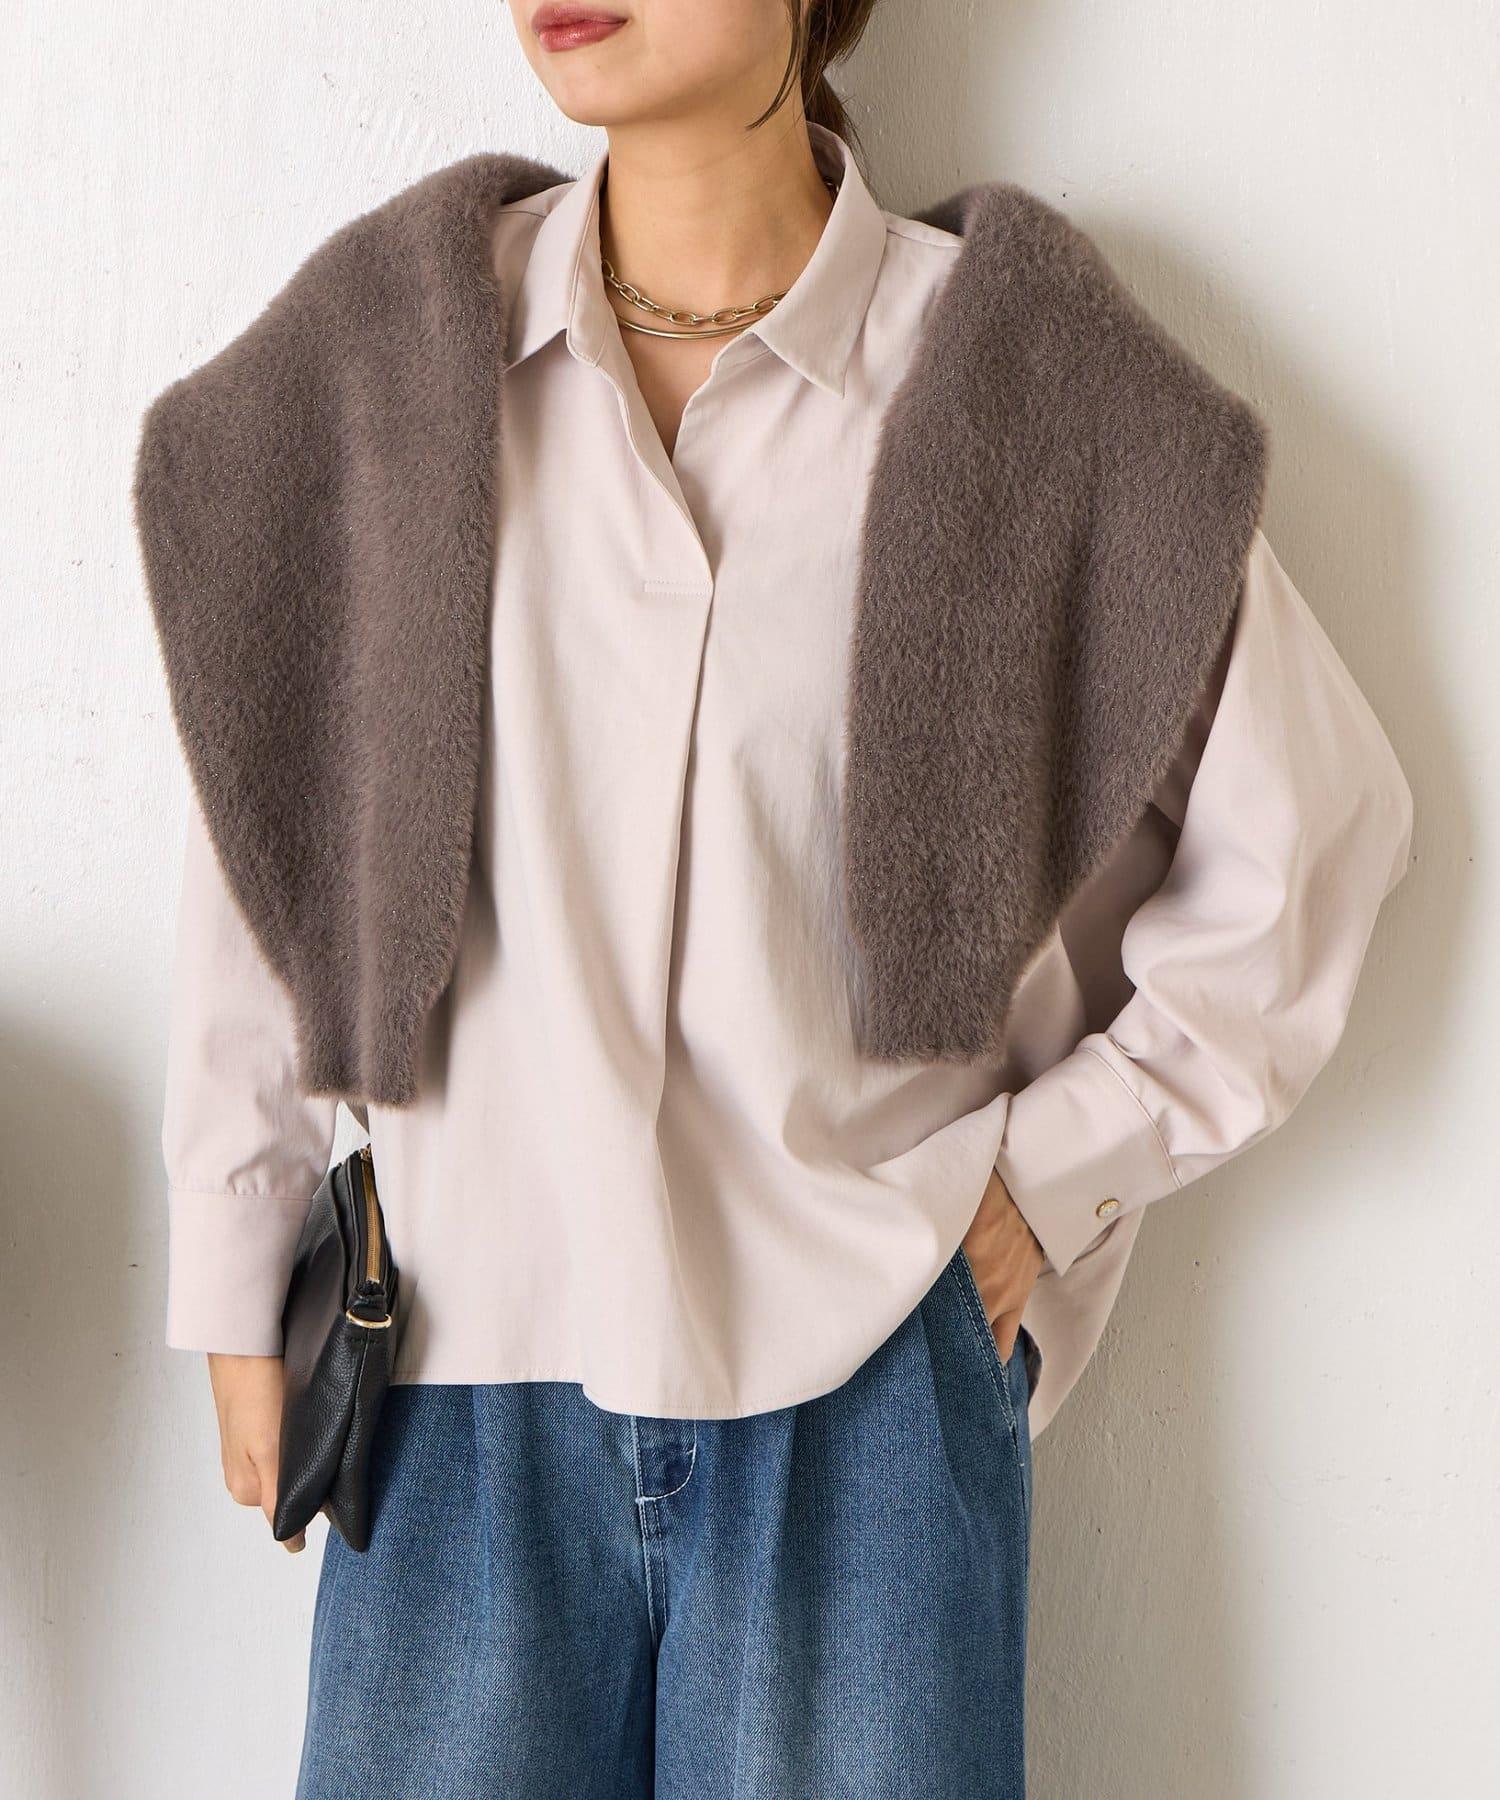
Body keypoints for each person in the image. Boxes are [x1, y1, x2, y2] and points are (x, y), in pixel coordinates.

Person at [133, 2, 1414, 1794]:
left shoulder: (1015, 382)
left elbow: (1315, 842)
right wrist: (234, 1235)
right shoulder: (398, 355)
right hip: (454, 1380)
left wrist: (1043, 1189)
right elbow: (276, 793)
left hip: (866, 1397)